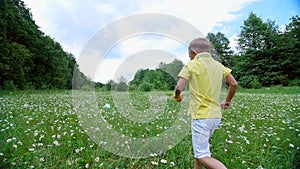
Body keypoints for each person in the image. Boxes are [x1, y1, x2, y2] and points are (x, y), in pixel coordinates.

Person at [173, 37, 238, 169]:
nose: (190, 59)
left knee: (202, 155)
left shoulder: (191, 65)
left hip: (201, 118)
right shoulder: (219, 66)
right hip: (215, 117)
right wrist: (227, 101)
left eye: (190, 56)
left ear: (193, 53)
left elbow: (179, 88)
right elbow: (234, 83)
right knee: (200, 152)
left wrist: (178, 97)